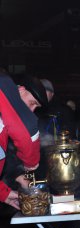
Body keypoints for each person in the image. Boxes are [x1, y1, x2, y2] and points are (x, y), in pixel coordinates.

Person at [0, 73, 48, 209]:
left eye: (35, 108)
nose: (31, 110)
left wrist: (4, 194)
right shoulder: (4, 85)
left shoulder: (3, 122)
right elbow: (27, 132)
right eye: (32, 103)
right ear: (21, 90)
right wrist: (31, 162)